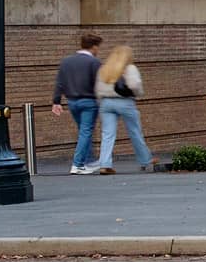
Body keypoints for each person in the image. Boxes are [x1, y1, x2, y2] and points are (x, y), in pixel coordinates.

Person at [94, 44, 153, 174]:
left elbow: (98, 88)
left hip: (106, 103)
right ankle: (145, 160)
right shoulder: (129, 68)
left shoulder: (104, 68)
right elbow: (134, 84)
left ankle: (105, 164)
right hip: (125, 102)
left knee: (107, 134)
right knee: (135, 132)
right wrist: (138, 93)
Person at [50, 32, 104, 174]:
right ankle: (78, 164)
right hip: (89, 101)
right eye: (97, 47)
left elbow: (59, 82)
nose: (98, 50)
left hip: (72, 102)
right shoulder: (94, 62)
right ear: (93, 47)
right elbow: (100, 83)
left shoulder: (66, 61)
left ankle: (87, 161)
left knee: (83, 132)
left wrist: (56, 101)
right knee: (86, 132)